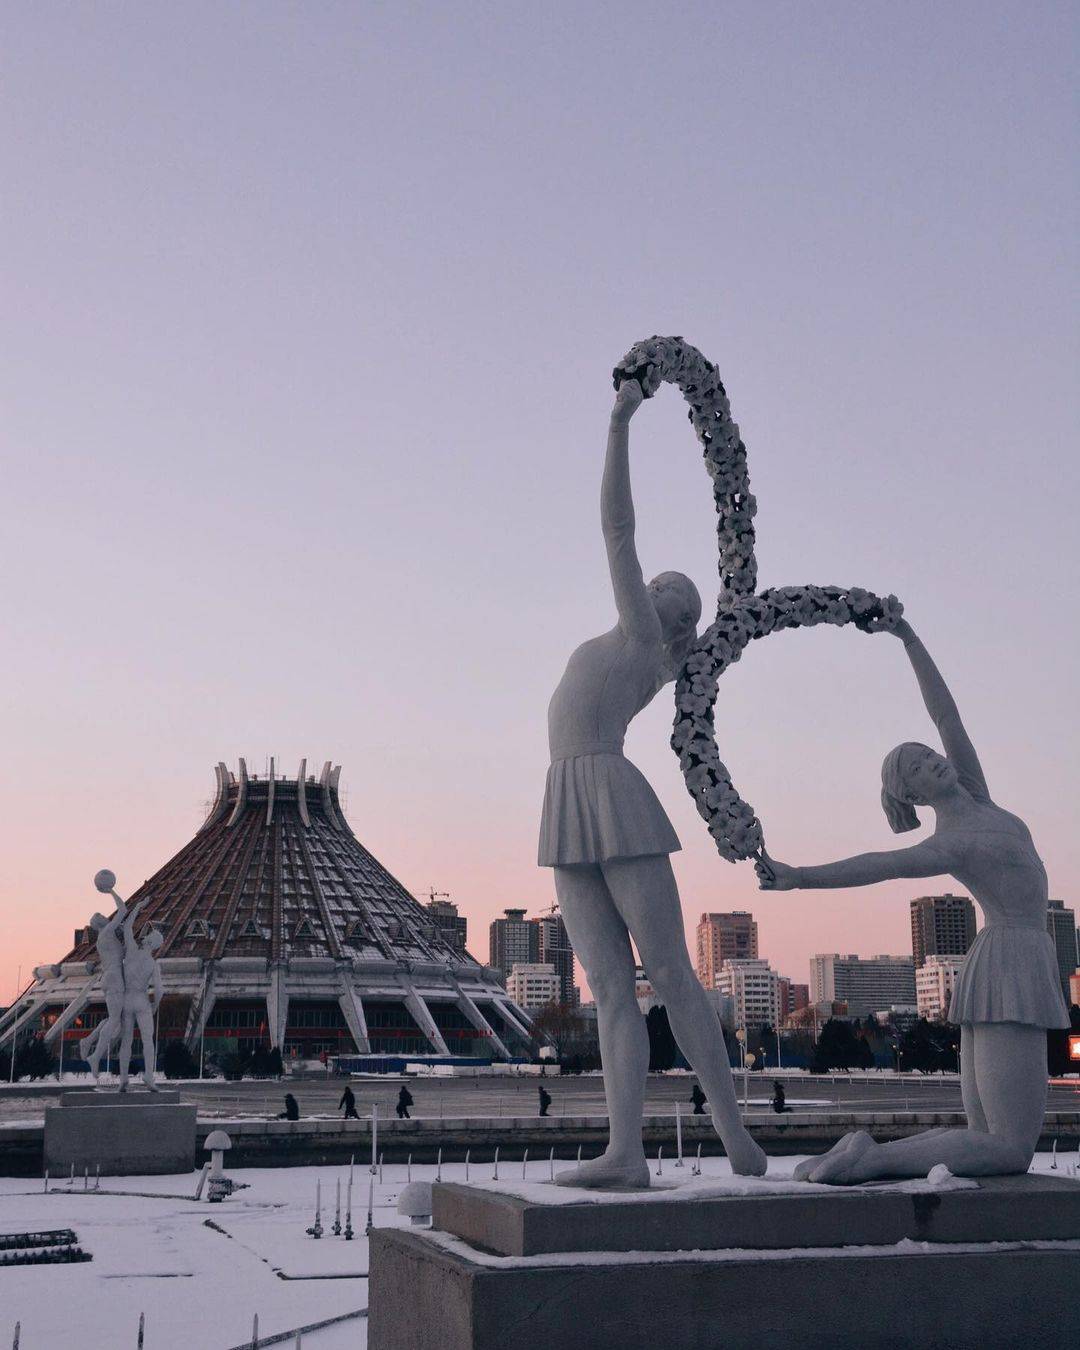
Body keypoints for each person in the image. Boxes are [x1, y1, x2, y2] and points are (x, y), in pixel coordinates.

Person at [540, 376, 765, 1189]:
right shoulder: (637, 636)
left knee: (668, 970)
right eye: (666, 583)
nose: (660, 586)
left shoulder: (643, 636)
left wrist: (620, 422)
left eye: (677, 593)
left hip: (609, 790)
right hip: (565, 797)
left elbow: (616, 529)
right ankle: (625, 1151)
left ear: (676, 622)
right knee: (608, 987)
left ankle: (733, 1131)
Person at [757, 618, 1069, 1184]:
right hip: (1010, 965)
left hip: (1007, 961)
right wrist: (798, 876)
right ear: (914, 796)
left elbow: (946, 713)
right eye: (921, 767)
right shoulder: (948, 842)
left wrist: (909, 638)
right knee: (1008, 1149)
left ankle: (868, 1152)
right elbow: (876, 866)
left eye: (930, 755)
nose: (936, 761)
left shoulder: (978, 794)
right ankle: (872, 1159)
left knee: (989, 1140)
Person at [117, 912, 161, 1093]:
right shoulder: (153, 964)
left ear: (147, 941)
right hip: (142, 1000)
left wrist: (139, 908)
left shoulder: (132, 952)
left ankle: (123, 1078)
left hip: (127, 999)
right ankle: (149, 1077)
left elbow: (127, 927)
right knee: (147, 1041)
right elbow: (159, 990)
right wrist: (154, 1005)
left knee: (126, 1041)